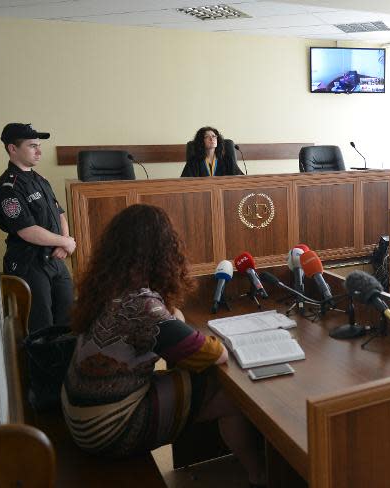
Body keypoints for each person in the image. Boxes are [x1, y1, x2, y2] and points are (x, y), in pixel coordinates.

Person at [62, 204, 265, 486]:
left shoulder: (107, 287)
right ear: (163, 252)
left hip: (81, 415)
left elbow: (171, 326)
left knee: (192, 379)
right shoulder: (142, 304)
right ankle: (260, 477)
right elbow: (214, 354)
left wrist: (175, 321)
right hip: (107, 429)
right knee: (231, 395)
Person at [0, 123, 76, 332]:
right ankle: (46, 366)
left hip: (55, 260)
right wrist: (65, 241)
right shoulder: (8, 188)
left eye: (39, 145)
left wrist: (64, 244)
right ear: (12, 149)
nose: (39, 151)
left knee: (70, 321)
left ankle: (66, 365)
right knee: (42, 328)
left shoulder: (39, 179)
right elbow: (26, 230)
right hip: (30, 263)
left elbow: (60, 213)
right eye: (32, 146)